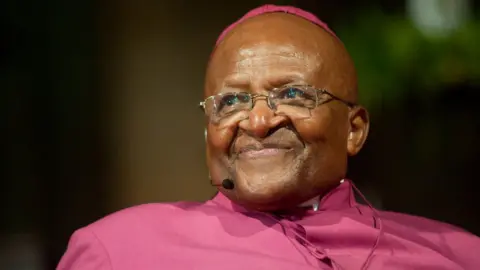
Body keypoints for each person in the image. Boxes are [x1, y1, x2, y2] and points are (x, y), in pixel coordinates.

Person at [57, 5, 480, 270]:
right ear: (209, 131)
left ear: (354, 129)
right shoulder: (119, 251)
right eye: (233, 101)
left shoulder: (459, 256)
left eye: (293, 94)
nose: (257, 121)